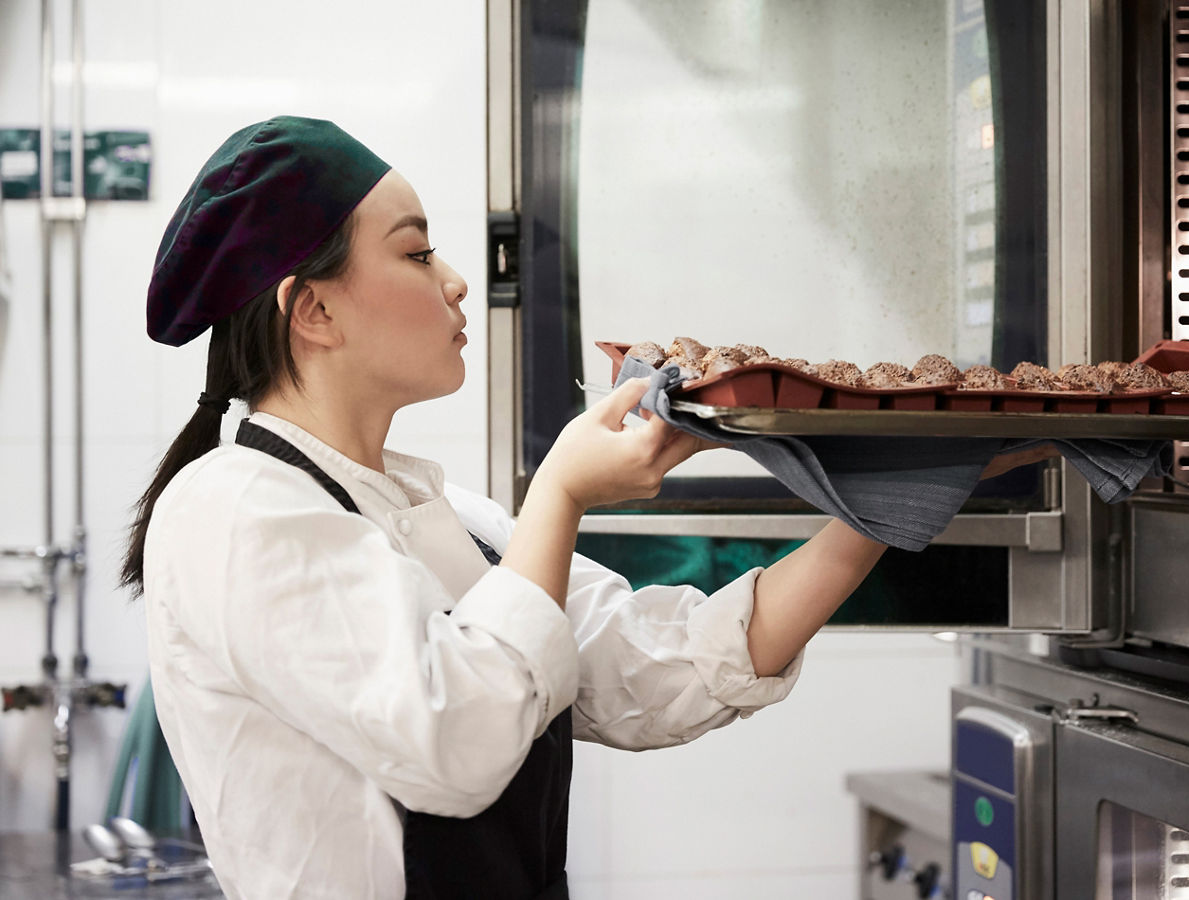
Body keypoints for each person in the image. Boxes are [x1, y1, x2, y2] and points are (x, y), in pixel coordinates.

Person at [121, 116, 1031, 900]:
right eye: (415, 250)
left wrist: (900, 481)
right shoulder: (234, 511)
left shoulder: (444, 519)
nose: (455, 280)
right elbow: (457, 743)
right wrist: (560, 491)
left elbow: (657, 672)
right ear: (312, 310)